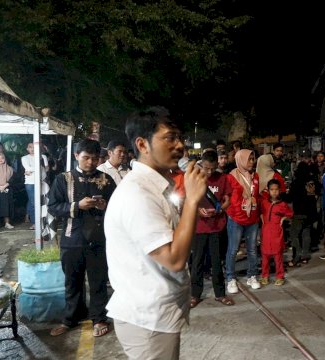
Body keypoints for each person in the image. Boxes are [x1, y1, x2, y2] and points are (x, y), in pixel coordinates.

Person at [105, 107, 207, 360]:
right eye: (170, 138)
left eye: (180, 138)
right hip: (148, 320)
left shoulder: (157, 186)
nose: (180, 146)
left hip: (158, 315)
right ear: (143, 144)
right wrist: (192, 201)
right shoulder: (137, 194)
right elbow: (173, 259)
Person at [48, 139, 116, 338]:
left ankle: (99, 318)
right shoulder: (63, 179)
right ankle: (71, 318)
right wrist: (77, 206)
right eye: (86, 158)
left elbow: (117, 207)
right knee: (72, 281)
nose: (90, 162)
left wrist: (104, 207)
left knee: (98, 281)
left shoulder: (106, 179)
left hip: (98, 239)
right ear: (76, 156)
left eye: (95, 159)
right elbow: (52, 207)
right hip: (72, 238)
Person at [190, 150, 234, 308]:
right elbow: (187, 200)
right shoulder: (194, 179)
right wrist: (197, 210)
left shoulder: (222, 178)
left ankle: (220, 294)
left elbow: (228, 200)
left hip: (217, 226)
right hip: (199, 227)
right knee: (197, 262)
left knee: (216, 262)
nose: (209, 172)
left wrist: (220, 209)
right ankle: (194, 294)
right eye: (207, 168)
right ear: (201, 164)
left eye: (213, 168)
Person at [225, 149, 261, 293]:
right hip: (237, 218)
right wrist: (245, 205)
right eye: (249, 159)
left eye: (253, 159)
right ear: (241, 160)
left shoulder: (256, 176)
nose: (252, 162)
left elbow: (256, 195)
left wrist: (254, 202)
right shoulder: (232, 176)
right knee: (233, 249)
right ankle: (230, 278)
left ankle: (252, 275)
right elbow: (232, 200)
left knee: (252, 250)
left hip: (252, 218)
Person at [260, 179, 293, 286]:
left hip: (276, 233)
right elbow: (260, 212)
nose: (274, 192)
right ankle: (265, 276)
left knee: (277, 256)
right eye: (272, 189)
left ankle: (280, 276)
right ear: (268, 190)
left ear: (280, 190)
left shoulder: (282, 204)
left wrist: (284, 218)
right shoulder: (264, 203)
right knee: (265, 256)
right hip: (265, 233)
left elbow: (290, 213)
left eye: (276, 189)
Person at [21, 142, 48, 230]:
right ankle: (34, 223)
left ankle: (43, 221)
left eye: (34, 147)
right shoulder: (24, 158)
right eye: (30, 147)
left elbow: (47, 168)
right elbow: (27, 168)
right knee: (34, 203)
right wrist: (39, 168)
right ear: (27, 149)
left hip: (42, 181)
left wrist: (31, 170)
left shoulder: (43, 157)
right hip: (30, 182)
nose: (32, 148)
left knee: (42, 201)